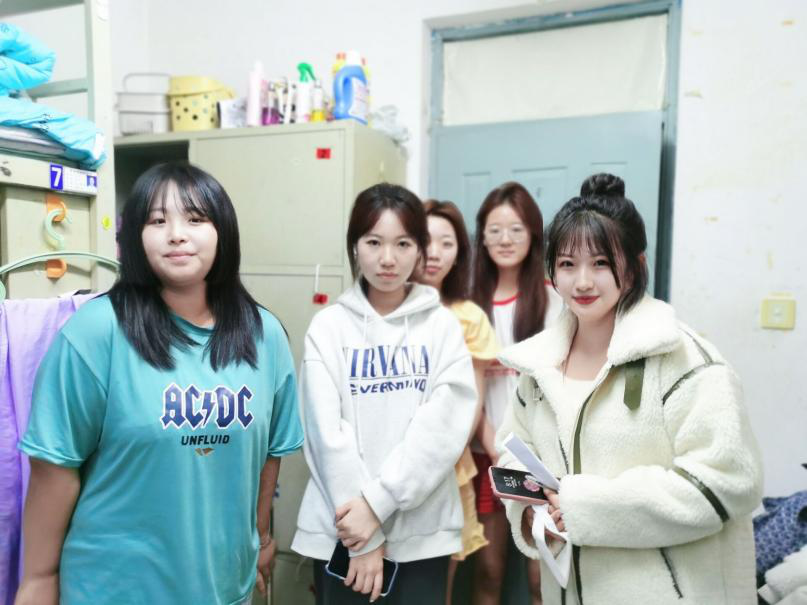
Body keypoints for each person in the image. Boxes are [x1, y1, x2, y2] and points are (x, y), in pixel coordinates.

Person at [15, 162, 303, 605]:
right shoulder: (96, 333)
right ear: (135, 237)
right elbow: (54, 470)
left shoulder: (264, 336)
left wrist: (260, 538)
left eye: (196, 218)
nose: (176, 235)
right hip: (112, 590)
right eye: (157, 220)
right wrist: (39, 579)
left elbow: (269, 458)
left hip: (223, 588)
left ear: (223, 231)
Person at [497, 173, 764, 604]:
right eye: (567, 264)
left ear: (636, 265)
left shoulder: (684, 359)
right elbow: (512, 451)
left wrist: (583, 507)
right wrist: (532, 512)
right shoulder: (538, 366)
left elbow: (727, 482)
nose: (583, 282)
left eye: (601, 263)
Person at [292, 183, 477, 605]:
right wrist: (363, 535)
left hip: (421, 535)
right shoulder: (328, 327)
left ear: (420, 249)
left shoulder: (442, 327)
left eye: (403, 243)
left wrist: (376, 506)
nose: (388, 258)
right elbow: (325, 433)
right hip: (341, 533)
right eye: (374, 242)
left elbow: (441, 430)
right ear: (355, 246)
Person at [472, 182, 562, 605]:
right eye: (494, 230)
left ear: (533, 236)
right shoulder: (470, 305)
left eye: (516, 230)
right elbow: (462, 389)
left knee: (541, 574)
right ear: (482, 237)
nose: (505, 240)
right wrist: (493, 444)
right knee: (488, 571)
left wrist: (524, 456)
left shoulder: (553, 300)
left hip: (539, 458)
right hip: (485, 452)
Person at [418, 199, 498, 604]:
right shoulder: (384, 311)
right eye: (425, 240)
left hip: (449, 468)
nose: (434, 253)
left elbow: (472, 406)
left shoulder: (469, 316)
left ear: (459, 253)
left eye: (446, 243)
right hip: (384, 467)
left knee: (438, 589)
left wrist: (436, 457)